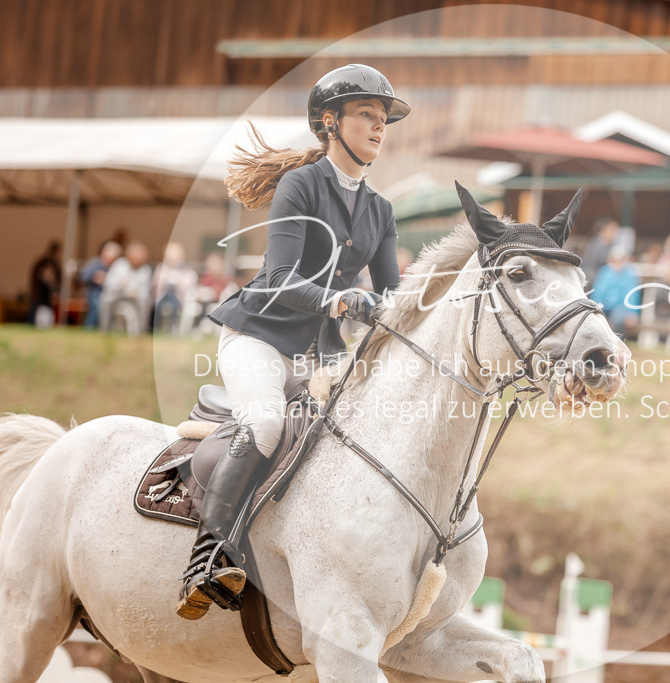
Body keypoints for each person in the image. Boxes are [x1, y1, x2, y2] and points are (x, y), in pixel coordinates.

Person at [176, 64, 410, 620]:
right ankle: (207, 558)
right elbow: (279, 275)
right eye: (367, 116)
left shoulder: (380, 209)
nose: (379, 128)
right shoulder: (300, 185)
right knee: (266, 423)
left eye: (384, 120)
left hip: (321, 355)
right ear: (330, 122)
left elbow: (394, 294)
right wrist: (337, 300)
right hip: (258, 338)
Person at [99, 242, 152, 335]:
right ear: (129, 256)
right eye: (135, 258)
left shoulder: (146, 270)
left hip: (136, 298)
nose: (137, 260)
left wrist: (135, 293)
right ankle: (104, 328)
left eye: (140, 258)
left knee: (146, 301)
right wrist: (123, 286)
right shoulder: (119, 265)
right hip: (118, 294)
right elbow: (109, 283)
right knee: (106, 298)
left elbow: (146, 290)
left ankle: (141, 330)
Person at [590, 247, 641, 338]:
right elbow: (598, 291)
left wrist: (632, 313)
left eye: (621, 260)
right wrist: (594, 307)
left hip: (620, 307)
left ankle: (618, 342)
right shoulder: (605, 271)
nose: (618, 263)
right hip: (604, 305)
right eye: (615, 260)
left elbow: (632, 295)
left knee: (618, 319)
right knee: (595, 319)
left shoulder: (629, 274)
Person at [152, 242, 198, 334]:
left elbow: (189, 288)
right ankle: (156, 329)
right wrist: (166, 278)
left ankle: (172, 330)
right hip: (163, 297)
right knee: (156, 308)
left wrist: (178, 281)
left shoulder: (187, 271)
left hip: (178, 298)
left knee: (174, 308)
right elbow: (155, 284)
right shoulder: (162, 268)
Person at [79, 241, 122, 329]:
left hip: (111, 293)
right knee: (96, 306)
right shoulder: (95, 263)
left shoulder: (116, 266)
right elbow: (82, 277)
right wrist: (94, 277)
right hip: (95, 292)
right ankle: (90, 328)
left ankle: (107, 328)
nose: (112, 260)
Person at [29, 241, 61, 328]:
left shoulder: (48, 263)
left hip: (45, 304)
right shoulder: (44, 263)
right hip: (39, 300)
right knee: (36, 318)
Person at [581, 217, 618, 289]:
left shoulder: (610, 245)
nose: (614, 234)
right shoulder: (596, 243)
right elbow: (595, 261)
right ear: (603, 231)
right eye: (612, 230)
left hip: (604, 275)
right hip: (593, 275)